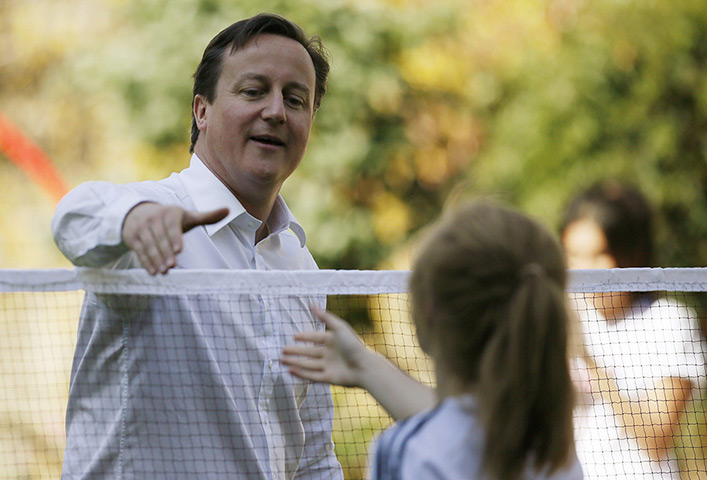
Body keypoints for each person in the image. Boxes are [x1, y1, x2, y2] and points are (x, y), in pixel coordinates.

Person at [51, 13, 342, 480]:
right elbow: (73, 215)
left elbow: (310, 456)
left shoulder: (301, 266)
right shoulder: (148, 214)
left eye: (295, 99)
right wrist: (133, 221)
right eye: (253, 91)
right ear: (201, 111)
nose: (275, 111)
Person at [282, 201, 584, 480]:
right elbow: (470, 425)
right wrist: (364, 365)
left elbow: (454, 433)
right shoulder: (557, 454)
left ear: (427, 313)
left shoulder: (406, 451)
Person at [560, 180, 706, 479]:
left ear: (630, 255)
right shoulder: (561, 320)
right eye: (573, 255)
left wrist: (588, 363)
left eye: (597, 255)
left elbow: (657, 438)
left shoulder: (669, 322)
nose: (583, 270)